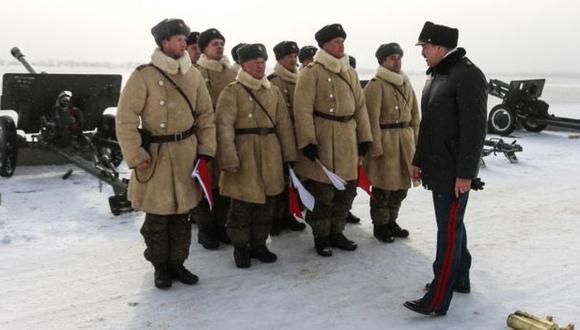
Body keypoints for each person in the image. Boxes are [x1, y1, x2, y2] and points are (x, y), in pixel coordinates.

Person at [116, 18, 216, 289]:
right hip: (155, 155)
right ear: (164, 43)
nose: (185, 42)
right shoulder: (143, 75)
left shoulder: (193, 75)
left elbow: (206, 115)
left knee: (182, 215)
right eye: (179, 38)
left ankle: (178, 263)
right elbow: (125, 119)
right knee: (158, 218)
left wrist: (206, 151)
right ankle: (161, 266)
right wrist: (136, 155)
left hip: (186, 152)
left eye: (185, 38)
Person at [403, 21, 487, 316]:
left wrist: (466, 173)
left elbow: (475, 130)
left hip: (454, 173)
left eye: (425, 47)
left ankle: (438, 298)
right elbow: (429, 126)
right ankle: (460, 278)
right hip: (437, 167)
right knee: (451, 226)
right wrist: (418, 159)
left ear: (438, 47)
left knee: (448, 232)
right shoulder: (437, 76)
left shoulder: (468, 75)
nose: (422, 53)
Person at [293, 23, 372, 257]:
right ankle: (321, 236)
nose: (341, 45)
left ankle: (337, 232)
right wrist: (307, 141)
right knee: (323, 193)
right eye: (336, 41)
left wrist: (365, 137)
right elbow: (302, 109)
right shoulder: (311, 72)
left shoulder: (349, 72)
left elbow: (361, 108)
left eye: (342, 41)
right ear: (324, 45)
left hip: (348, 136)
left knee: (345, 192)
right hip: (324, 137)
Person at [216, 43, 297, 268]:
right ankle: (241, 247)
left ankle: (259, 244)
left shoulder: (273, 91)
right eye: (255, 62)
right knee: (242, 205)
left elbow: (284, 125)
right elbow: (223, 127)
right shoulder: (232, 91)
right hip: (244, 153)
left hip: (271, 151)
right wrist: (229, 158)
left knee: (267, 204)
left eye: (263, 61)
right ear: (244, 65)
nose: (261, 66)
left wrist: (289, 155)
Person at [363, 42, 420, 243]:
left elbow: (415, 115)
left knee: (401, 187)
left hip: (405, 141)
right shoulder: (375, 85)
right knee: (384, 188)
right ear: (382, 61)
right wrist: (376, 148)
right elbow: (370, 119)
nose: (397, 61)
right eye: (392, 58)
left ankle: (392, 221)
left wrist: (416, 141)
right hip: (385, 144)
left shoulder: (406, 83)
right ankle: (380, 225)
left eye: (399, 57)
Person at [192, 28, 237, 250]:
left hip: (228, 137)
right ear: (204, 49)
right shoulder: (195, 73)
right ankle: (206, 229)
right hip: (204, 137)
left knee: (224, 183)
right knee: (205, 184)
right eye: (214, 44)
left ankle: (222, 226)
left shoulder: (232, 74)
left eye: (221, 43)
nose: (219, 47)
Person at [267, 40, 307, 235]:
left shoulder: (301, 79)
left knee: (296, 177)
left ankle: (290, 214)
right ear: (279, 59)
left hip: (300, 135)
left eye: (294, 56)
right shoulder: (273, 81)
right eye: (288, 56)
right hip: (280, 137)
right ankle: (275, 218)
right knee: (279, 179)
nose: (293, 59)